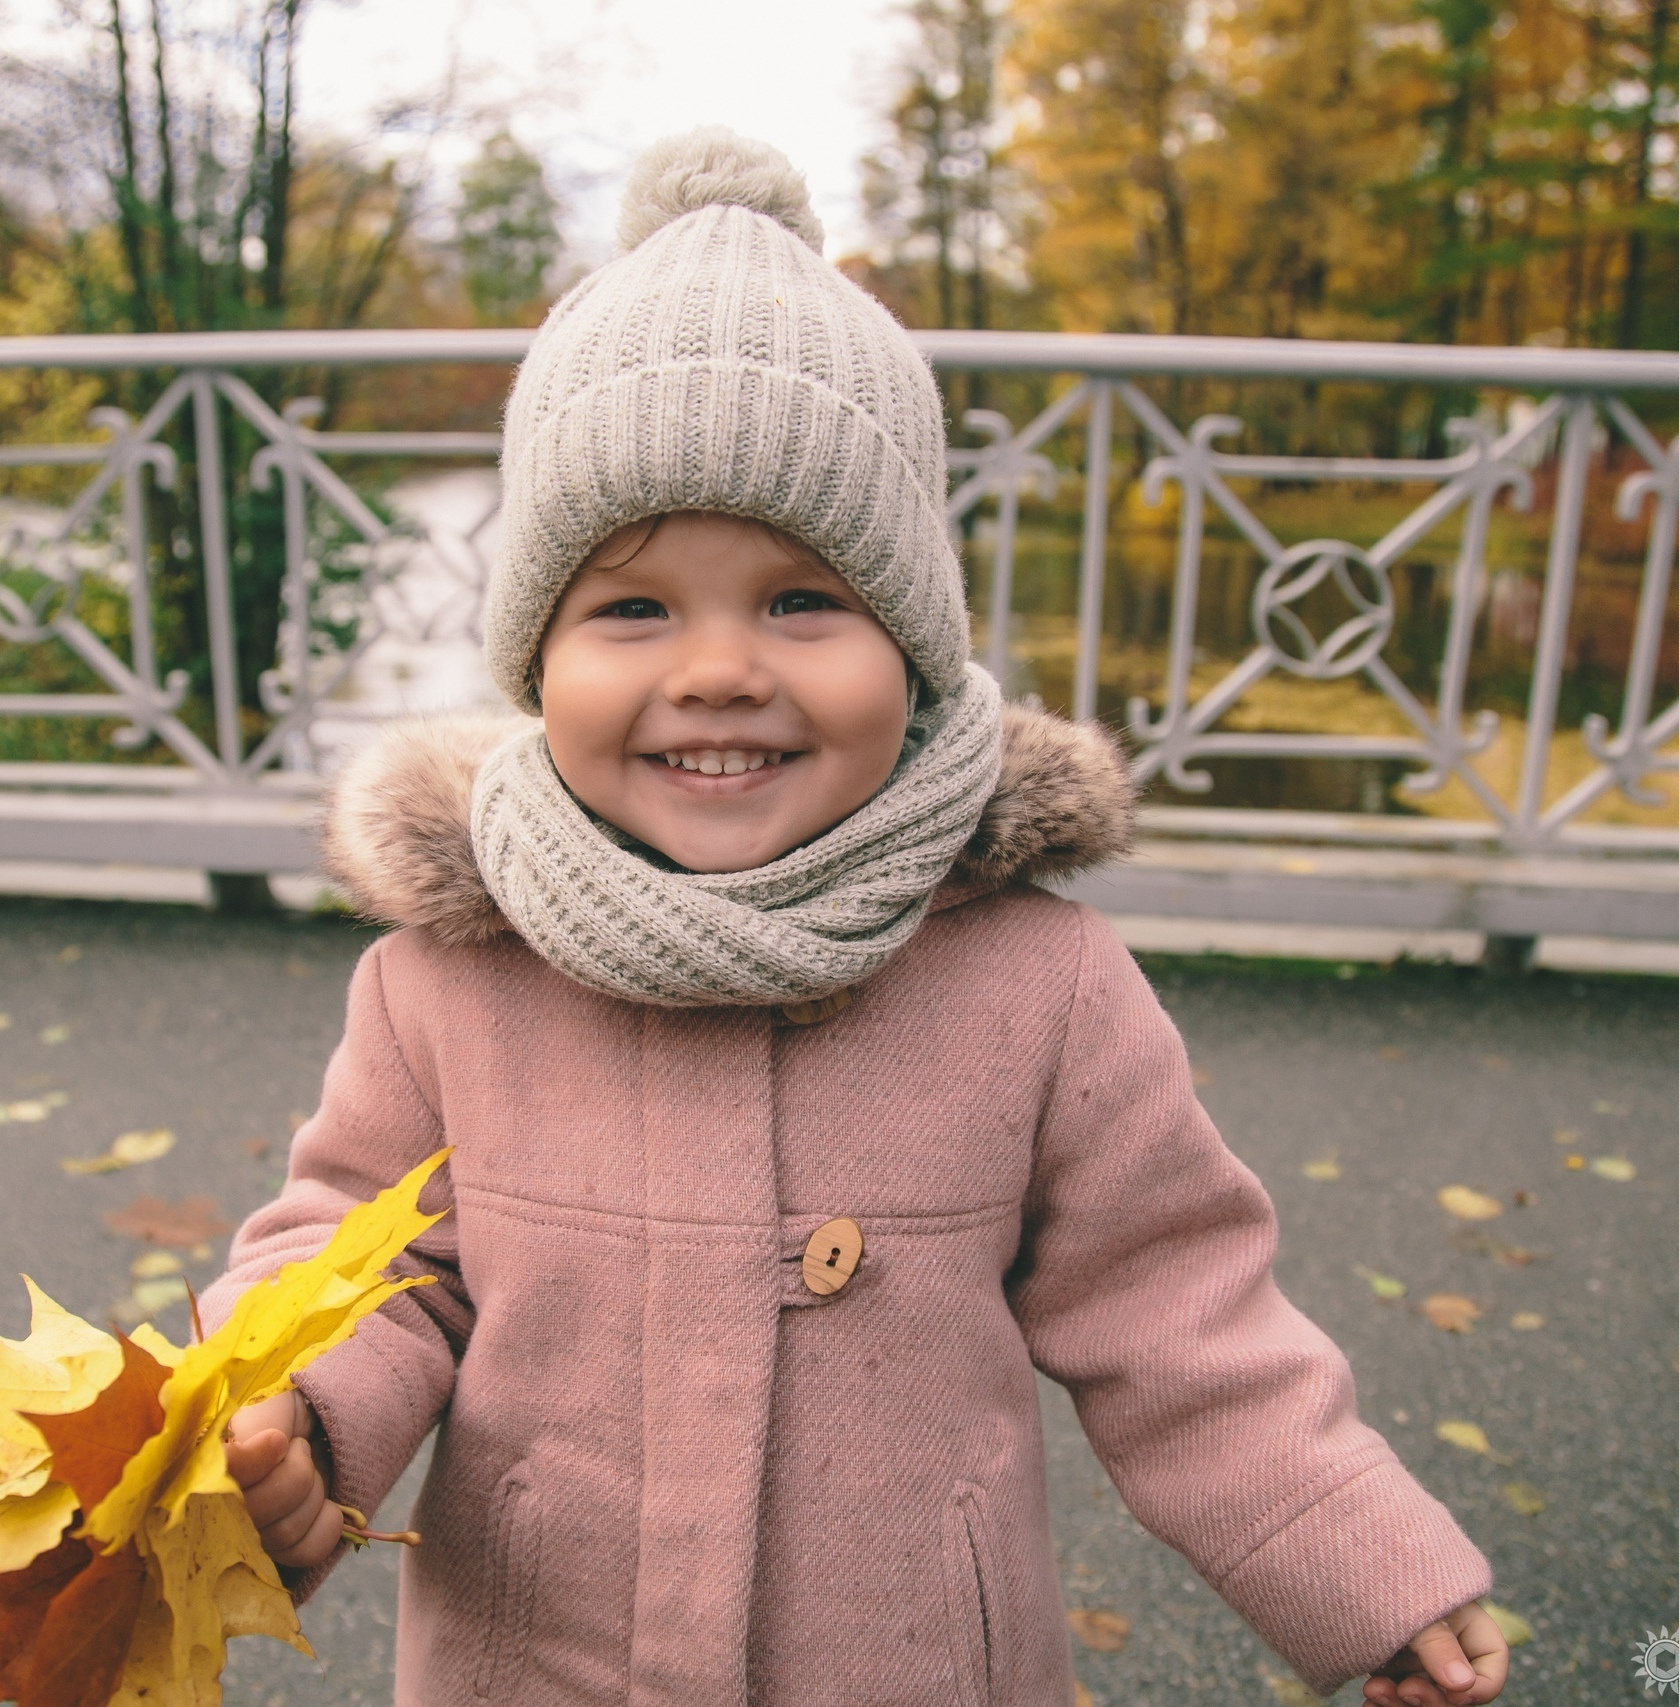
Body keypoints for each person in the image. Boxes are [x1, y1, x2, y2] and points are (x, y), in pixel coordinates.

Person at [202, 128, 1507, 1707]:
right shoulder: (449, 980)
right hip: (532, 1668)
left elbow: (1181, 1317)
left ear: (918, 642)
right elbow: (370, 1267)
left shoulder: (1041, 986)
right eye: (632, 607)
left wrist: (1353, 1558)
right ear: (535, 661)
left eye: (804, 599)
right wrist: (293, 1424)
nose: (720, 669)